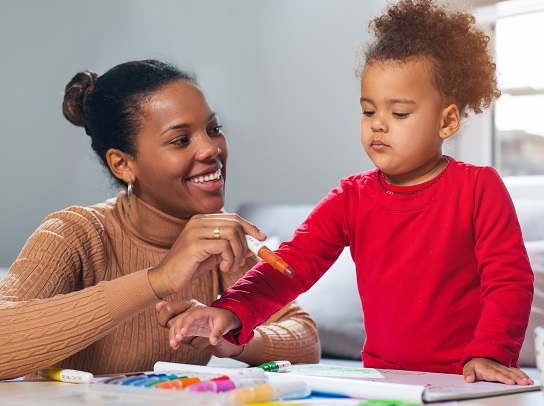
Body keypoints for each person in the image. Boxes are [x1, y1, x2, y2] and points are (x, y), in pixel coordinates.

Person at [164, 0, 535, 385]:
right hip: (385, 381)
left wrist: (490, 353)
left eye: (400, 113)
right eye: (368, 111)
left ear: (447, 121)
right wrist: (232, 310)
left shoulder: (479, 187)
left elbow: (509, 280)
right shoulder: (350, 197)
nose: (378, 125)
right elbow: (290, 265)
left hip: (467, 379)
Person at [0, 59, 320, 381]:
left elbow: (306, 338)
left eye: (214, 130)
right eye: (181, 140)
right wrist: (158, 279)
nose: (211, 149)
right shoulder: (75, 233)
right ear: (123, 164)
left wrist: (232, 338)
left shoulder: (221, 237)